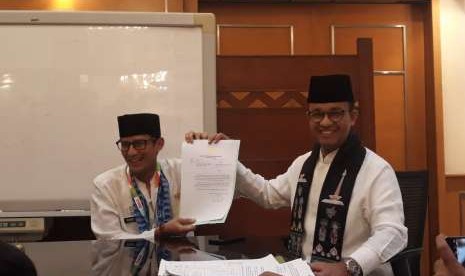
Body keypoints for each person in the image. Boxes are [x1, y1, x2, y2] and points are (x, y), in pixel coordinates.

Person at [187, 74, 407, 276]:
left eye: (335, 113)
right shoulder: (304, 164)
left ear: (353, 116)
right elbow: (268, 195)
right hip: (304, 270)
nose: (326, 122)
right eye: (317, 114)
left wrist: (347, 267)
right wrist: (227, 159)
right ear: (309, 116)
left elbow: (393, 233)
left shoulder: (376, 170)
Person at [90, 113, 196, 240]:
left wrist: (212, 148)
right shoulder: (106, 185)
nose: (131, 152)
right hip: (128, 259)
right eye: (125, 145)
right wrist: (158, 233)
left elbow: (216, 181)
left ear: (159, 144)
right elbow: (109, 239)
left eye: (139, 144)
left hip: (182, 256)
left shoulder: (180, 171)